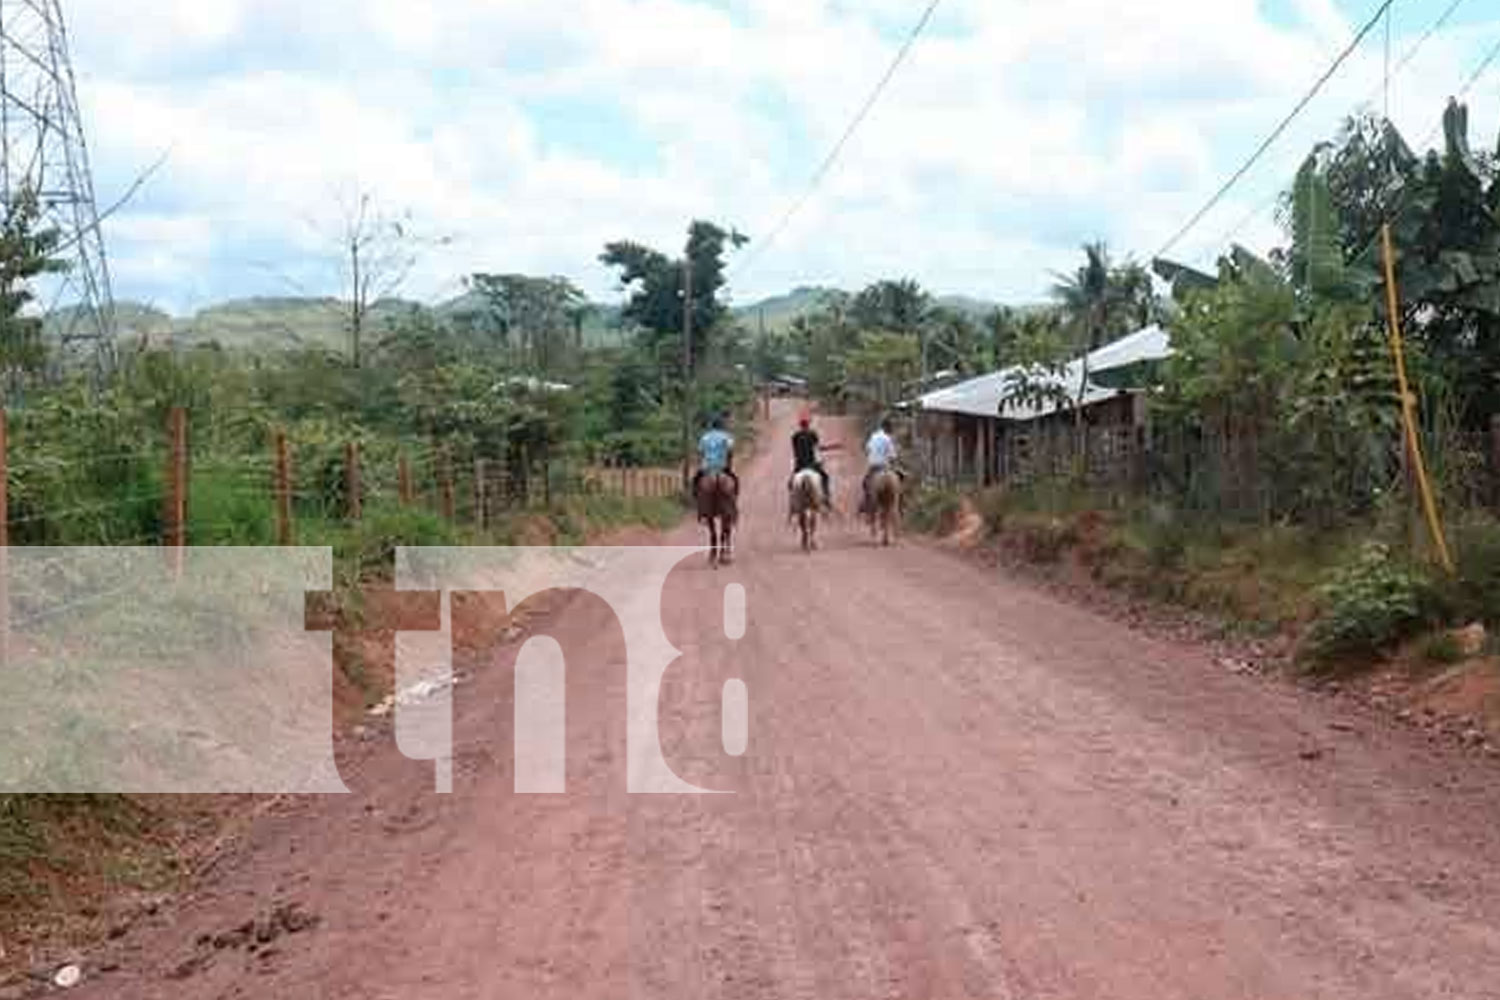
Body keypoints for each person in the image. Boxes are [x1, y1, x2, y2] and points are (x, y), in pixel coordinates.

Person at [788, 412, 833, 510]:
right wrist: (829, 448)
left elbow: (795, 452)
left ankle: (792, 505)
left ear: (800, 424)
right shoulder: (813, 434)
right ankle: (826, 499)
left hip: (799, 465)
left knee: (790, 484)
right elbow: (818, 449)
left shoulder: (795, 436)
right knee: (825, 478)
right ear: (808, 424)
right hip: (812, 465)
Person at [860, 417, 902, 514]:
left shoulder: (873, 436)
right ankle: (899, 505)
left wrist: (872, 457)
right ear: (888, 428)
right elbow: (892, 456)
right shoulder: (888, 438)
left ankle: (866, 503)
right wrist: (893, 461)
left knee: (865, 483)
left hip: (874, 467)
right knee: (900, 479)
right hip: (885, 466)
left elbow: (867, 450)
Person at [693, 415, 738, 499]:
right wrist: (728, 463)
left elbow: (700, 452)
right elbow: (730, 450)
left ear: (712, 426)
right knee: (735, 479)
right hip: (722, 467)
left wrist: (701, 463)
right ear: (722, 426)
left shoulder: (705, 437)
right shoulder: (726, 436)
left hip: (707, 467)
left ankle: (695, 496)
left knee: (695, 480)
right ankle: (734, 496)